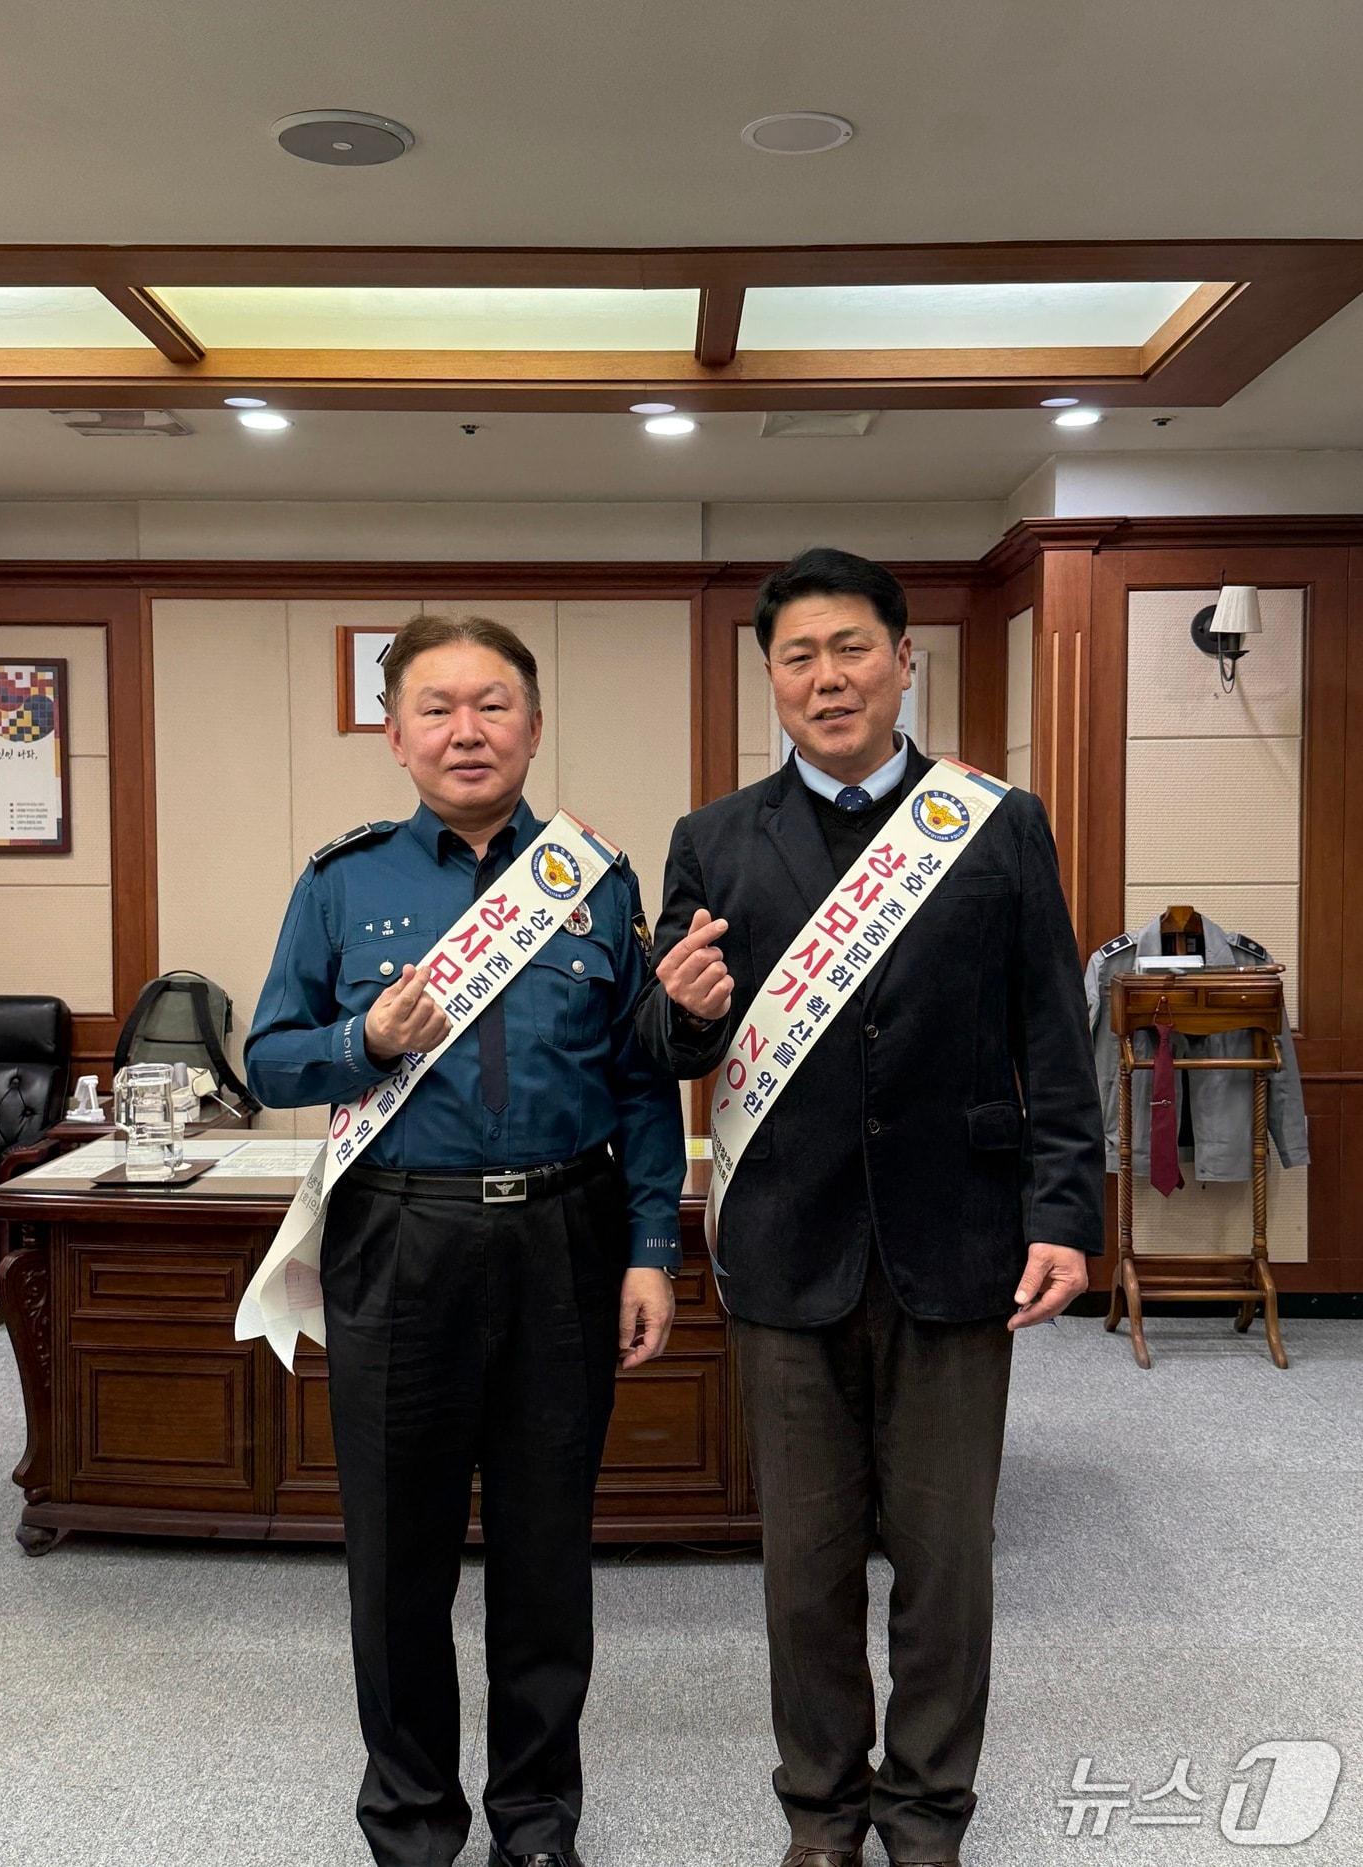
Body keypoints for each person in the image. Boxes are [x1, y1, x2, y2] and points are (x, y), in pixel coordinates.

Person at [635, 547, 1104, 1867]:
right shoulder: (716, 838)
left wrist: (1064, 1208)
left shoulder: (995, 824)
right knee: (807, 1567)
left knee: (949, 1563)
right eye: (798, 656)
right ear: (772, 680)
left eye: (852, 648)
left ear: (906, 659)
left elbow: (1052, 1035)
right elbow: (670, 1044)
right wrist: (678, 1009)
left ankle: (929, 1807)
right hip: (788, 1247)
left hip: (959, 1243)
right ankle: (823, 1808)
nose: (827, 677)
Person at [245, 614, 684, 1867]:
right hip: (399, 1240)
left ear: (532, 728)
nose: (465, 730)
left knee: (546, 1554)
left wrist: (650, 1244)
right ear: (394, 736)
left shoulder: (595, 882)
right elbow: (268, 1057)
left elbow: (641, 1079)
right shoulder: (344, 882)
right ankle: (412, 1825)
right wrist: (361, 1044)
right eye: (435, 708)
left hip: (565, 1234)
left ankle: (537, 1823)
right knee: (397, 1556)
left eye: (492, 705)